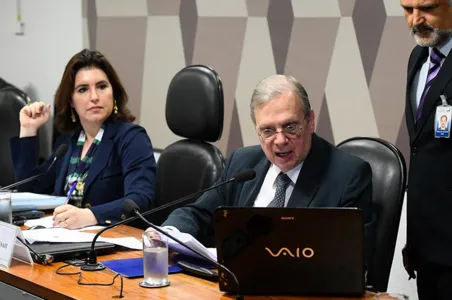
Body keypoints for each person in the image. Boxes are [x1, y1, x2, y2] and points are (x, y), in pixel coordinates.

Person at [161, 74, 374, 265]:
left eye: (291, 127)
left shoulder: (348, 175)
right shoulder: (243, 162)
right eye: (268, 130)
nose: (280, 140)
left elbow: (349, 260)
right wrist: (164, 236)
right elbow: (198, 214)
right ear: (257, 131)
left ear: (310, 122)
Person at [10, 49, 157, 229]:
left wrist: (91, 215)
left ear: (114, 93)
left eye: (102, 86)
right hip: (68, 239)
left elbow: (140, 200)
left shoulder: (132, 138)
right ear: (71, 101)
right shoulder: (69, 142)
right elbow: (30, 191)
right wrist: (28, 129)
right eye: (83, 89)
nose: (94, 97)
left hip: (113, 242)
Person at [400, 0, 452, 299]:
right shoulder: (418, 57)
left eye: (428, 7)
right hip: (426, 246)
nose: (416, 20)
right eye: (407, 9)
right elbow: (423, 150)